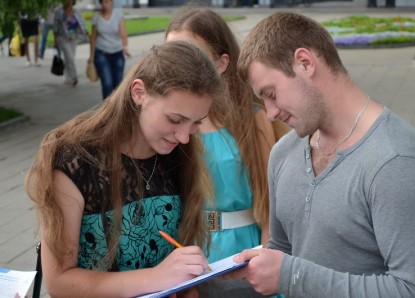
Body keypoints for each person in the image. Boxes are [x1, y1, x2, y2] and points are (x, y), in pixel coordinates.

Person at [228, 12, 415, 297]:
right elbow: (283, 255)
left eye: (271, 93)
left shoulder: (398, 161)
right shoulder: (283, 153)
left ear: (305, 63)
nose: (270, 114)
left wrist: (292, 276)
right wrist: (204, 285)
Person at [25, 41, 222, 297]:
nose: (185, 137)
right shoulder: (74, 157)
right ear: (139, 92)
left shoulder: (178, 152)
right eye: (175, 119)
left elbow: (173, 262)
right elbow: (60, 282)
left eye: (197, 123)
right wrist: (156, 277)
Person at [165, 7, 290, 264]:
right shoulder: (165, 123)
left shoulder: (251, 117)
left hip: (245, 247)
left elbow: (269, 203)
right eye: (172, 56)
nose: (179, 67)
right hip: (186, 249)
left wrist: (267, 256)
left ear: (221, 63)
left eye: (192, 56)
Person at [89, 0, 131, 99]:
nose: (105, 5)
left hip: (117, 53)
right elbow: (93, 37)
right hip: (101, 53)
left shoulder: (118, 15)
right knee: (107, 84)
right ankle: (107, 111)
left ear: (111, 2)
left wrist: (125, 47)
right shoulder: (96, 17)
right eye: (102, 2)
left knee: (118, 84)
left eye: (107, 2)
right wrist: (91, 57)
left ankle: (117, 109)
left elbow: (123, 34)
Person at [53, 0, 88, 86]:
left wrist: (85, 32)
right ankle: (74, 77)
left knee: (69, 58)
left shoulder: (76, 11)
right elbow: (55, 26)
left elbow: (82, 23)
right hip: (63, 38)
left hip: (74, 38)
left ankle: (67, 77)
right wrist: (55, 39)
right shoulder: (58, 12)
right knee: (70, 57)